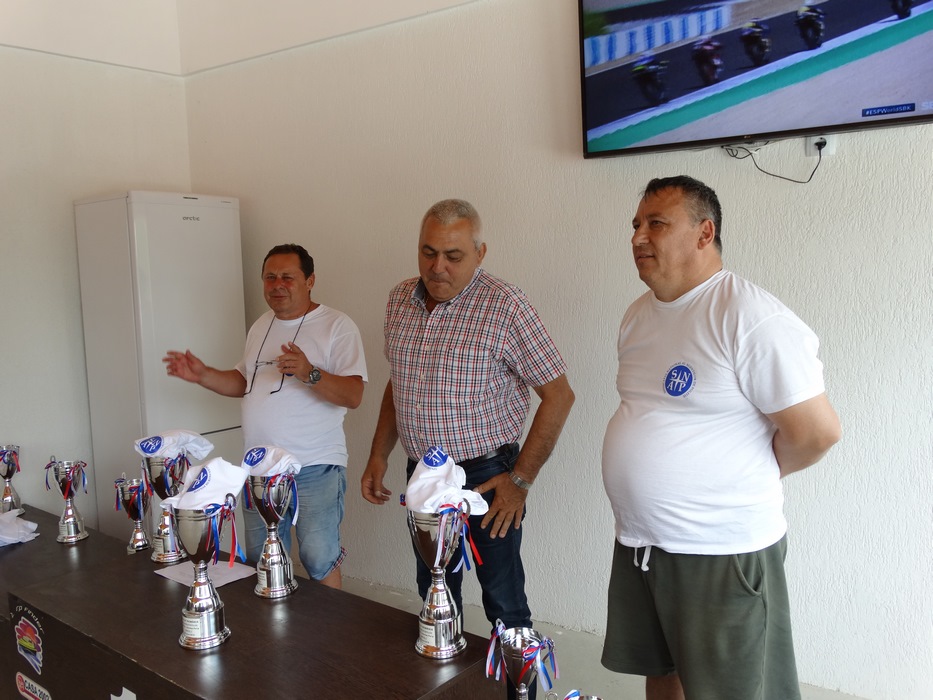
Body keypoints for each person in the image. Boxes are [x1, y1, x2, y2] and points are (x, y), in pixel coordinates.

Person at [601, 176, 841, 700]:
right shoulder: (638, 316)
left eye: (656, 224)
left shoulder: (749, 317)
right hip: (643, 543)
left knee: (733, 692)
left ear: (704, 233)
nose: (638, 236)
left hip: (719, 550)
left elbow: (818, 433)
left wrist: (749, 470)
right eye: (636, 225)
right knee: (662, 673)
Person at [361, 199, 574, 699]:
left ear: (480, 253)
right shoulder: (399, 300)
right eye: (428, 252)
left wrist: (519, 481)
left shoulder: (506, 306)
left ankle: (518, 695)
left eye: (453, 256)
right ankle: (450, 692)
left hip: (488, 477)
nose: (438, 267)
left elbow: (559, 395)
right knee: (435, 592)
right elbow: (398, 383)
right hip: (424, 475)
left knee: (503, 600)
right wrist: (379, 453)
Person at [164, 243, 367, 589]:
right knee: (262, 558)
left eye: (288, 277)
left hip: (314, 464)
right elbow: (244, 382)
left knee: (319, 556)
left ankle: (329, 623)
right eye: (270, 277)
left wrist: (308, 372)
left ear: (310, 281)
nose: (277, 285)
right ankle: (276, 623)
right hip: (258, 468)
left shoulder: (337, 325)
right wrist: (203, 375)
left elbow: (354, 395)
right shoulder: (261, 325)